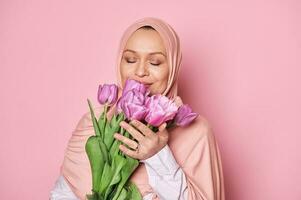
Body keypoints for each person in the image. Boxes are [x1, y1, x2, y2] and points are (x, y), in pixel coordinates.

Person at [50, 17, 225, 200]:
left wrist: (157, 156)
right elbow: (63, 193)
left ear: (173, 67)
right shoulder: (94, 123)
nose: (140, 72)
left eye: (155, 62)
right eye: (130, 59)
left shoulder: (195, 132)